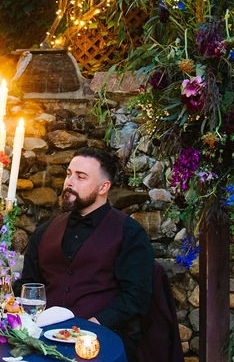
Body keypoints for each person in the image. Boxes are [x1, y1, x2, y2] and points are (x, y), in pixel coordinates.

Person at [17, 147, 153, 346]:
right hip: (42, 338)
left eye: (81, 177)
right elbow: (29, 285)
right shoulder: (44, 231)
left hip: (102, 341)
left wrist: (95, 324)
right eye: (69, 174)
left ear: (103, 187)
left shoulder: (129, 233)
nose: (69, 182)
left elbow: (136, 296)